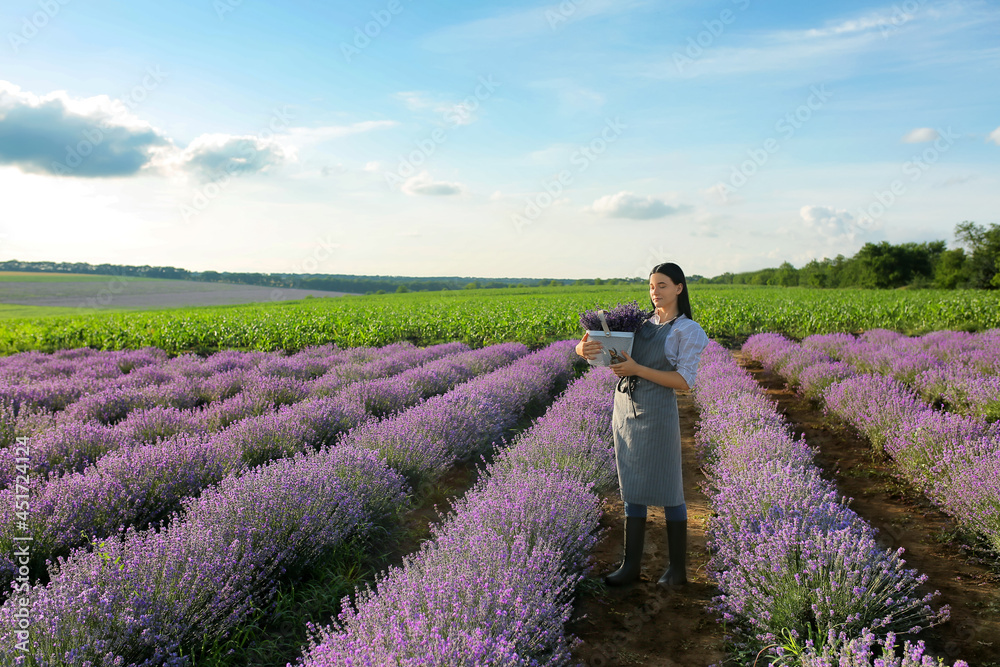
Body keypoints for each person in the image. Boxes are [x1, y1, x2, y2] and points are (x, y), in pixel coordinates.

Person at [575, 262, 709, 587]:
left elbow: (684, 381)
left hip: (657, 413)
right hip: (625, 410)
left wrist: (636, 368)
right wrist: (583, 348)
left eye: (662, 285)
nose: (655, 292)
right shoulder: (641, 323)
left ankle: (677, 571)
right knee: (631, 487)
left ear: (679, 288)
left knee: (669, 489)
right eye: (652, 286)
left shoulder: (686, 330)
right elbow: (601, 349)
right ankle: (630, 566)